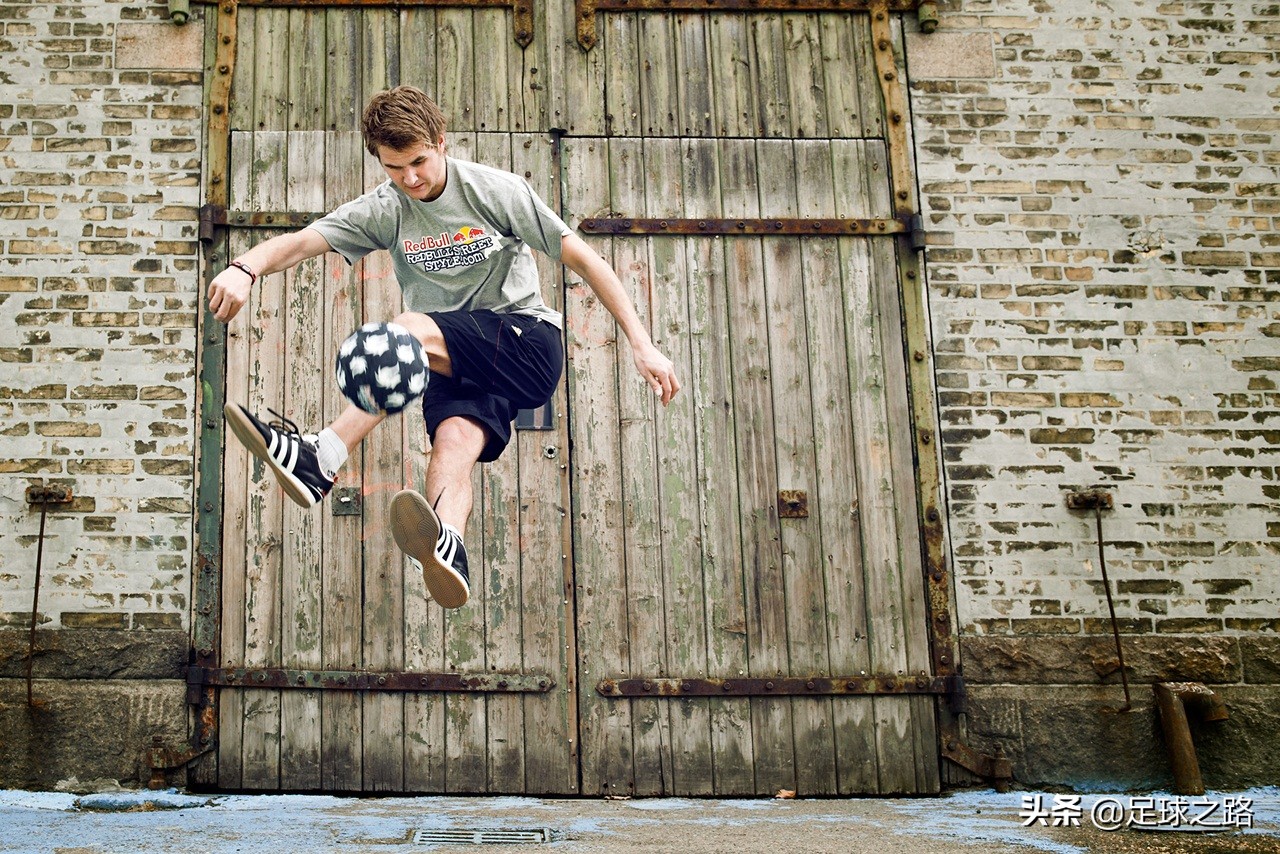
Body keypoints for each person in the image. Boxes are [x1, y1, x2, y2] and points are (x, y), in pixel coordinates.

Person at [207, 85, 680, 609]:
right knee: (451, 445)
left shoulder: (495, 191)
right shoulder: (386, 208)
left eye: (418, 162)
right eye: (394, 168)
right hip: (452, 359)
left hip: (524, 343)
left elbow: (586, 260)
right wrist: (244, 267)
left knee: (407, 326)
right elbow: (302, 241)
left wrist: (642, 343)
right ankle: (448, 543)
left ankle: (323, 455)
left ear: (440, 142)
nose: (410, 179)